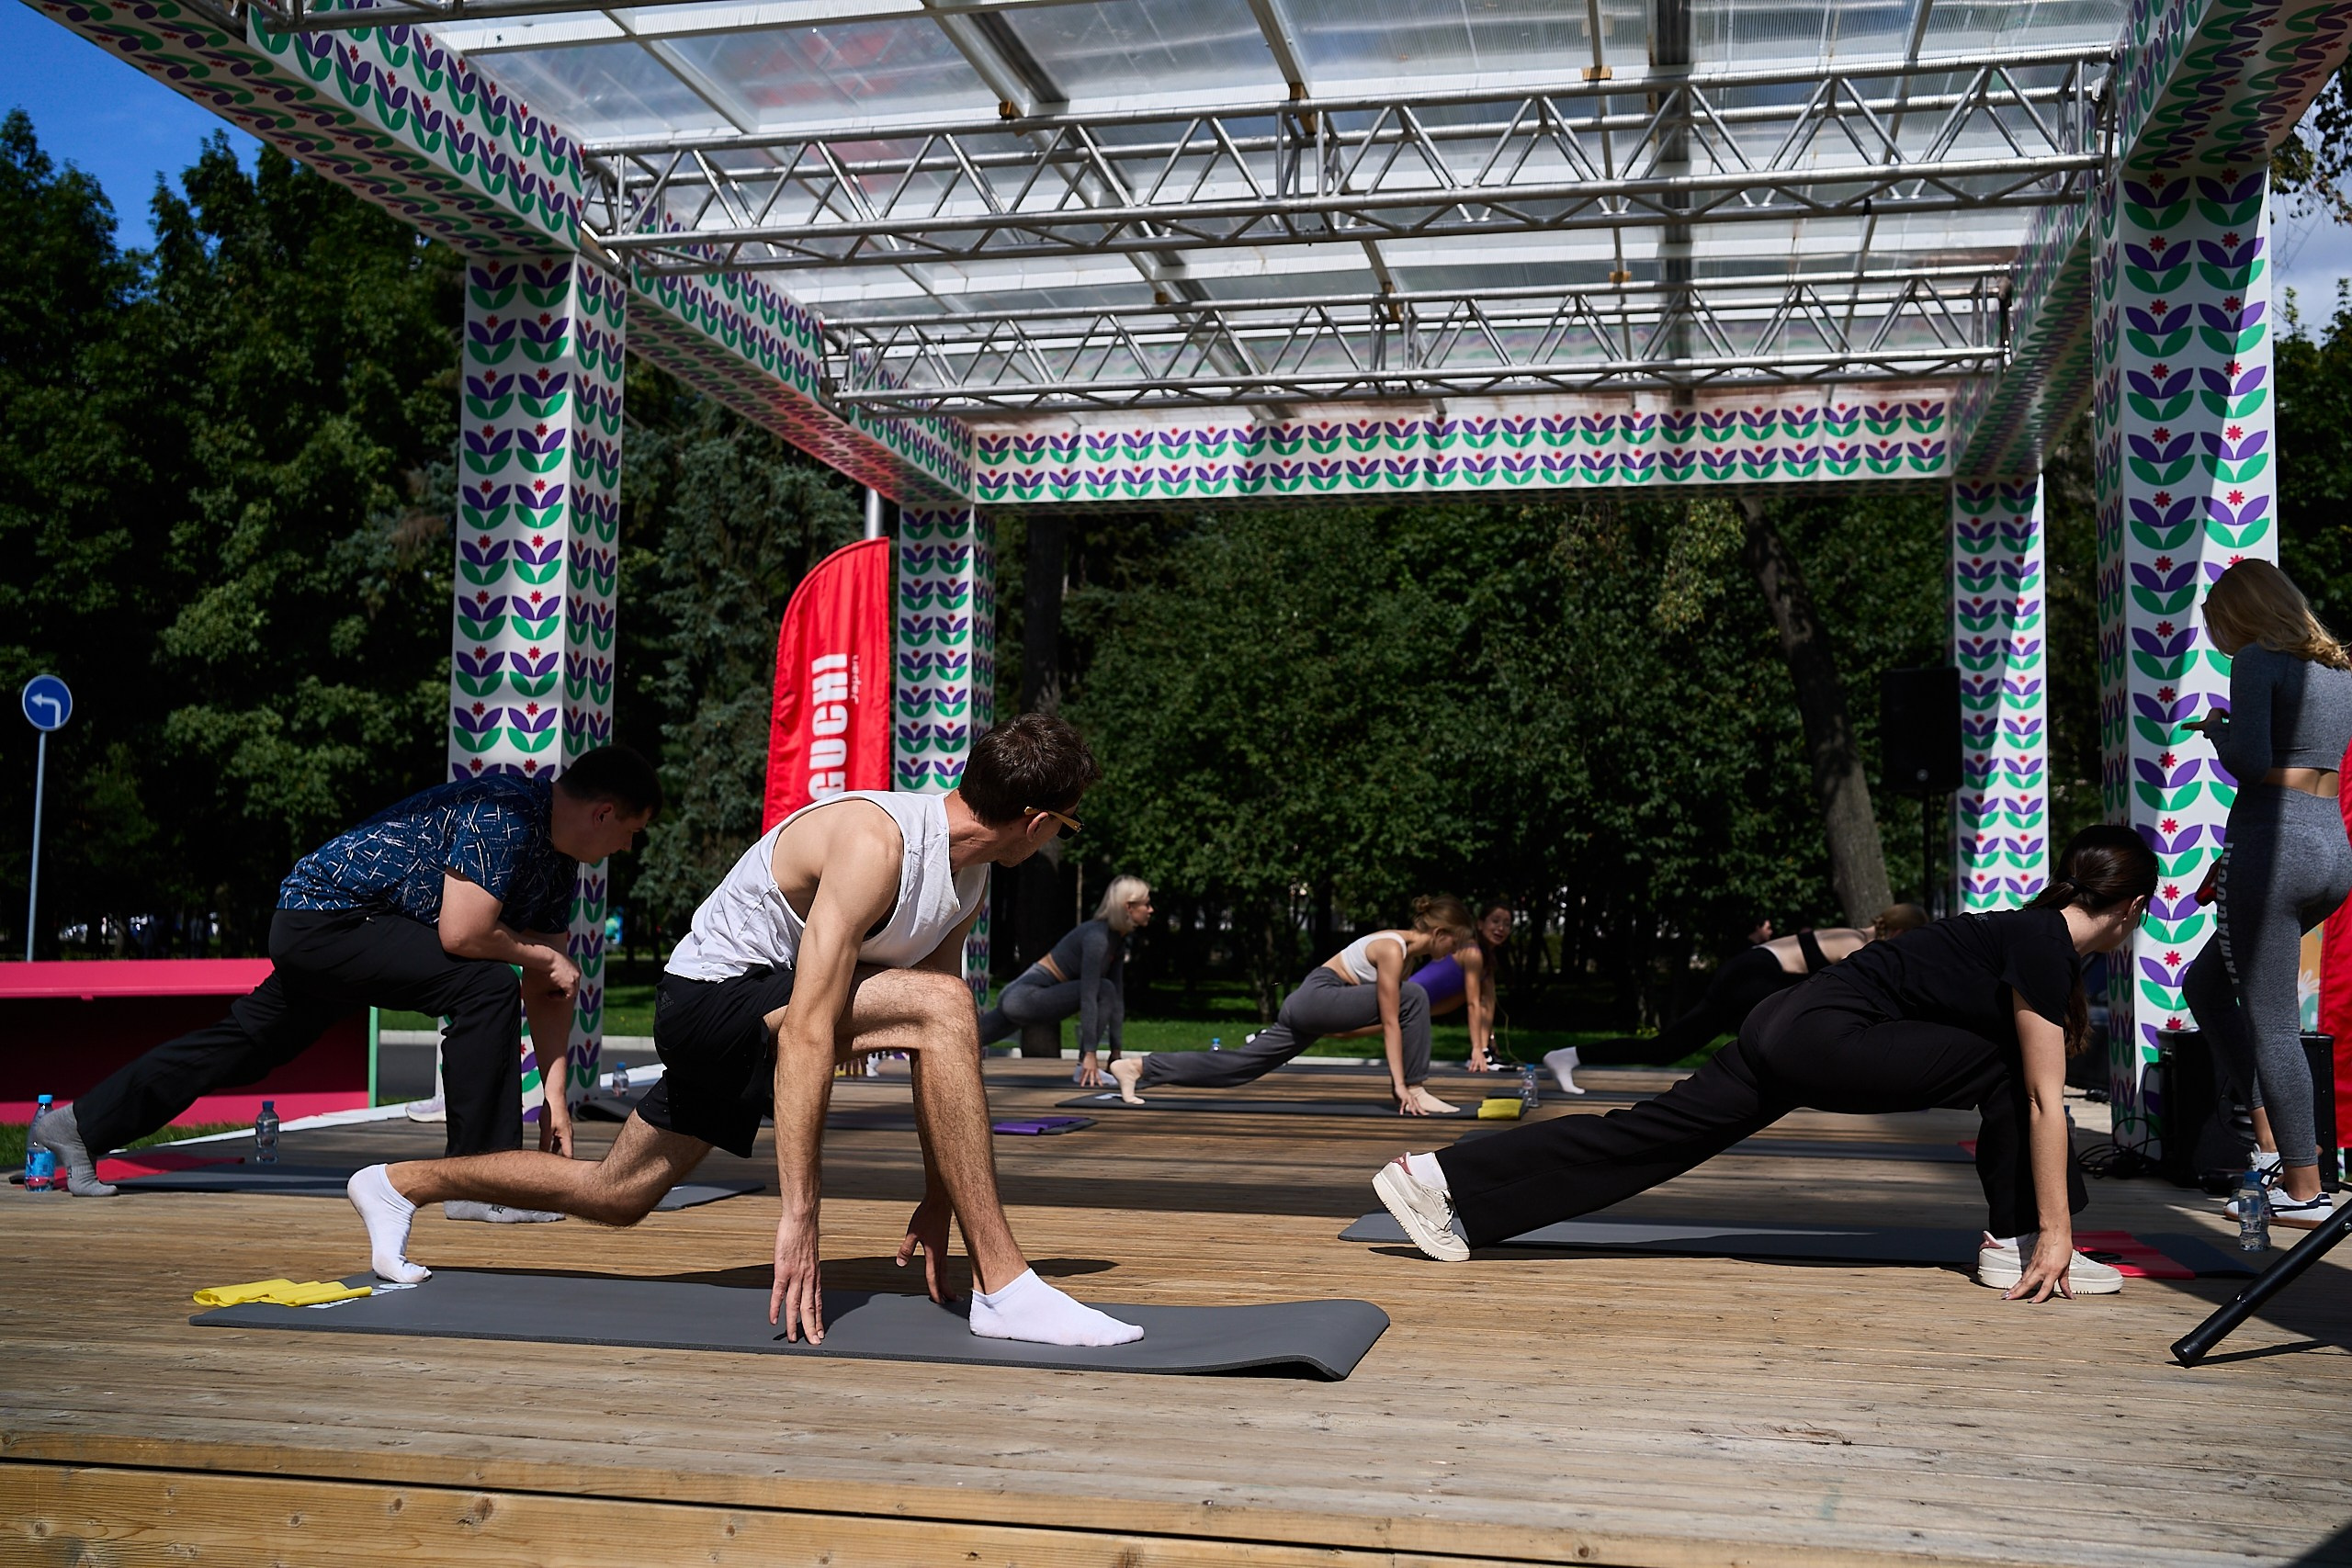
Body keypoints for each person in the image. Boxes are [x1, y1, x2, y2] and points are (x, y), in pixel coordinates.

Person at [343, 714, 1145, 1349]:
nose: (1059, 839)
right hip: (706, 1002)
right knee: (946, 1001)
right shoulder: (877, 843)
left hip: (760, 1012)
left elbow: (926, 1043)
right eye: (1067, 827)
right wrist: (801, 1212)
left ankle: (397, 1183)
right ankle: (1005, 1287)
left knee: (615, 1194)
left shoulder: (966, 877)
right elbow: (812, 1032)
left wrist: (940, 1193)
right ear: (1036, 822)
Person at [1373, 826, 2160, 1301]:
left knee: (1647, 1138)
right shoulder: (2044, 943)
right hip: (1823, 1031)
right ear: (2131, 908)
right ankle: (2016, 1241)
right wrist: (2057, 1231)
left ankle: (1439, 1181)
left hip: (1786, 1021)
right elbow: (2042, 1102)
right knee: (2009, 1072)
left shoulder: (2022, 929)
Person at [32, 748, 662, 1201]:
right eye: (632, 833)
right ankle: (479, 1181)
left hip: (354, 930)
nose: (627, 851)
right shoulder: (504, 812)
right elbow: (463, 934)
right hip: (323, 920)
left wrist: (555, 1099)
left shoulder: (560, 861)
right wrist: (540, 957)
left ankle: (78, 1125)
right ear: (603, 813)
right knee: (483, 983)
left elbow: (550, 985)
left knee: (247, 1044)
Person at [2181, 560, 2352, 1229]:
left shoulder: (2257, 659)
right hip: (2329, 846)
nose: (2221, 639)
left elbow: (2250, 763)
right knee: (2207, 984)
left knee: (2273, 1023)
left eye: (2220, 624)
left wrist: (2218, 729)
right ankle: (2272, 1140)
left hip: (2273, 845)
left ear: (2243, 613)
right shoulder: (2337, 667)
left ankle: (2304, 1185)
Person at [1108, 896, 1478, 1115]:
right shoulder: (1392, 948)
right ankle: (1417, 1088)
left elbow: (1381, 1019)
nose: (1456, 952)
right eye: (1456, 943)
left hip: (1313, 1004)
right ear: (1440, 934)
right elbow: (1391, 1018)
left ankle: (1137, 1066)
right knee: (1413, 996)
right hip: (1319, 995)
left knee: (1238, 1068)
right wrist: (1403, 1085)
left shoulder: (1407, 958)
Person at [1541, 906, 1929, 1094]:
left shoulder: (1849, 933)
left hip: (1746, 969)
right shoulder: (1855, 944)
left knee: (1667, 1048)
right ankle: (1721, 1095)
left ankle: (1569, 1055)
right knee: (1776, 1042)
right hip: (1754, 974)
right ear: (1897, 932)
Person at [980, 875, 1152, 1086]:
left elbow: (1117, 1000)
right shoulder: (1097, 937)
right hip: (1026, 997)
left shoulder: (1117, 940)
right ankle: (1083, 1067)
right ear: (1128, 907)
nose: (1151, 910)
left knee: (967, 1040)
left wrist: (1116, 1054)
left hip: (1024, 999)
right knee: (1103, 988)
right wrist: (1089, 1054)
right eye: (1147, 904)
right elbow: (1089, 996)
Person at [1329, 901, 1514, 1071]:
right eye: (1495, 921)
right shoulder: (1472, 953)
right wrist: (1477, 1049)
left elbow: (1487, 1005)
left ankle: (1486, 1052)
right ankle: (1308, 1026)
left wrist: (1489, 1044)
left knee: (1345, 1030)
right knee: (1342, 1032)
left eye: (1507, 923)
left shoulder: (1488, 960)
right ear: (1480, 924)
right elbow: (1474, 1004)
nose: (1501, 928)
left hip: (1426, 1004)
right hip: (1409, 998)